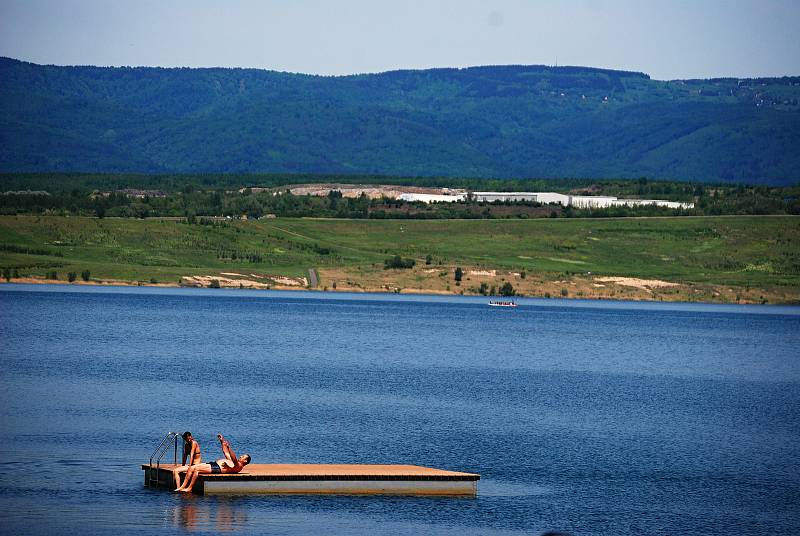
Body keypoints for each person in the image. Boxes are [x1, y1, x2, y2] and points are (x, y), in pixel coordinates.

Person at [176, 433, 251, 493]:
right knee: (191, 468)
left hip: (217, 468)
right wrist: (222, 441)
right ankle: (182, 487)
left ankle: (190, 488)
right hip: (214, 464)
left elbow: (234, 458)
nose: (241, 456)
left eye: (243, 456)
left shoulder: (239, 466)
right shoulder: (235, 463)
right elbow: (226, 453)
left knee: (197, 470)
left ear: (245, 461)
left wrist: (229, 447)